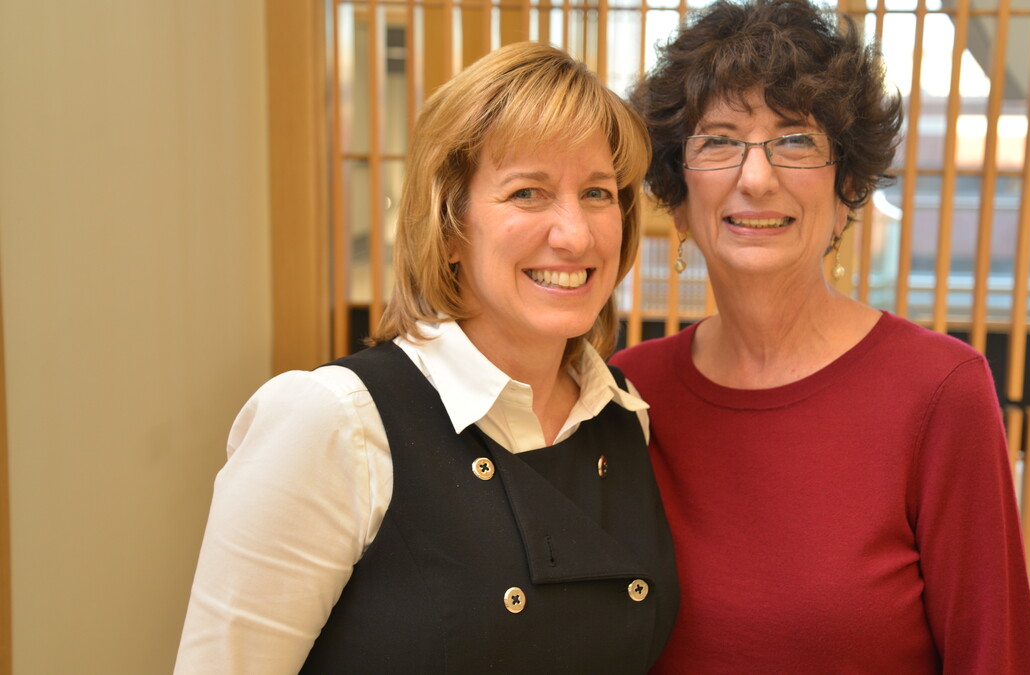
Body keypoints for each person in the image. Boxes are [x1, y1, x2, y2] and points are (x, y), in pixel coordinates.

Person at [175, 41, 678, 673]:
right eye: (528, 192)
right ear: (447, 230)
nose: (575, 234)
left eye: (599, 194)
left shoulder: (625, 417)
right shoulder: (335, 422)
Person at [609, 1, 1030, 672]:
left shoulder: (940, 391)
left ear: (846, 189)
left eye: (795, 140)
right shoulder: (629, 391)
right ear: (676, 195)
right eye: (719, 140)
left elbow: (997, 656)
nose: (756, 178)